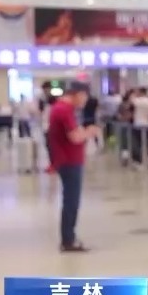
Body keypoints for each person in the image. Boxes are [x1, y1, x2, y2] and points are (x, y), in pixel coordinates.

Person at [47, 82, 98, 252]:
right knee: (71, 200)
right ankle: (68, 240)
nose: (85, 101)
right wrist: (90, 132)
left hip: (68, 159)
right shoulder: (64, 110)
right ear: (77, 94)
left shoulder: (62, 109)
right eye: (84, 97)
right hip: (69, 161)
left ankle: (69, 237)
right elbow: (75, 137)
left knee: (71, 199)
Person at [130, 87, 148, 166]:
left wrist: (133, 93)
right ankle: (147, 158)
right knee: (146, 143)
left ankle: (139, 160)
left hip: (138, 124)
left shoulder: (139, 101)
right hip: (147, 123)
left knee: (137, 143)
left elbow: (131, 99)